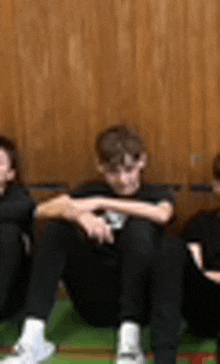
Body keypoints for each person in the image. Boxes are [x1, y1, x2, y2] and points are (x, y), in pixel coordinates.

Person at [1, 125, 180, 364]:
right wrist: (78, 215)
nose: (123, 179)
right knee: (57, 228)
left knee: (139, 229)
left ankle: (130, 344)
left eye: (129, 169)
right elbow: (40, 210)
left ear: (142, 162)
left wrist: (101, 202)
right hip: (93, 301)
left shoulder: (156, 193)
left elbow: (162, 215)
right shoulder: (87, 190)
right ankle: (33, 338)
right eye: (113, 172)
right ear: (100, 167)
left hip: (138, 304)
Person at [181, 153, 220, 339]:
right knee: (171, 247)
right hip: (208, 309)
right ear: (217, 186)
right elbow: (196, 275)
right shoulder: (200, 223)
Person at [0, 136, 35, 323]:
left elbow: (26, 207)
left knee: (7, 233)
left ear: (10, 174)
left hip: (11, 297)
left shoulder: (19, 198)